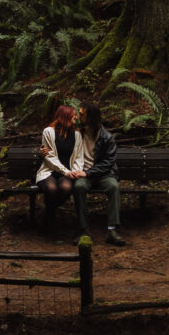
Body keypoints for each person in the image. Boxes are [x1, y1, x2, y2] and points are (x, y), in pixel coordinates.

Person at [70, 102, 126, 246]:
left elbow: (108, 162)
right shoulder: (78, 133)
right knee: (79, 187)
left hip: (103, 174)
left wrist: (88, 173)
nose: (78, 116)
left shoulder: (107, 137)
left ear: (91, 116)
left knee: (113, 187)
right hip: (84, 174)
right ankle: (84, 230)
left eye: (82, 114)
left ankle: (112, 231)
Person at [35, 105, 85, 233]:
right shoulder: (48, 132)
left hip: (68, 173)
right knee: (51, 189)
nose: (76, 117)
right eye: (74, 114)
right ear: (65, 115)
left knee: (66, 188)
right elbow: (49, 157)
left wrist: (75, 171)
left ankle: (47, 213)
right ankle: (49, 221)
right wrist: (67, 172)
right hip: (49, 171)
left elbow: (79, 157)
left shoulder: (77, 134)